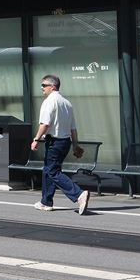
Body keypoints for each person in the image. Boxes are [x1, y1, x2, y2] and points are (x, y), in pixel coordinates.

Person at [31, 75, 89, 214]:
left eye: (44, 85)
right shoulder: (66, 103)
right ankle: (46, 202)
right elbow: (73, 128)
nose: (42, 88)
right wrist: (75, 145)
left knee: (52, 171)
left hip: (54, 142)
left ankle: (79, 194)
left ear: (53, 86)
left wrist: (36, 139)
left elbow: (45, 123)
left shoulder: (49, 102)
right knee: (48, 169)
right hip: (65, 142)